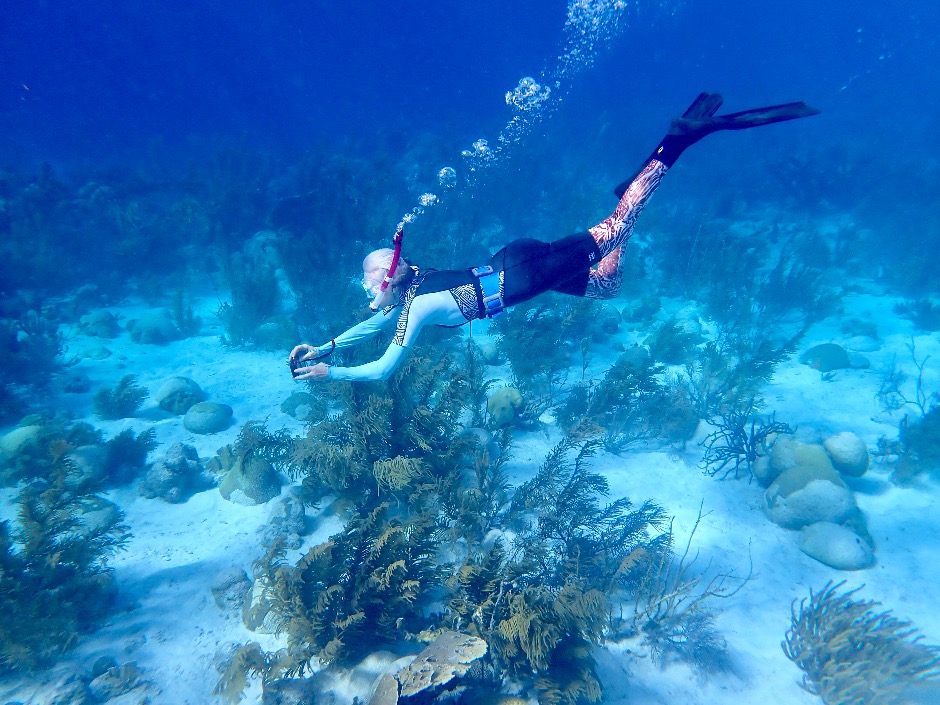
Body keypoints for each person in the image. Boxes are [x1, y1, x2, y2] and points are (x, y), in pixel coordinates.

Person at [289, 93, 818, 382]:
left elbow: (383, 369)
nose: (368, 298)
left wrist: (326, 376)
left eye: (367, 287)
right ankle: (635, 181)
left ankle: (676, 143)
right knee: (608, 284)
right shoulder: (408, 294)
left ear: (386, 277)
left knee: (616, 228)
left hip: (523, 274)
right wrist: (326, 348)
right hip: (515, 270)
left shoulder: (418, 308)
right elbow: (371, 328)